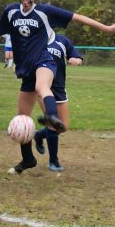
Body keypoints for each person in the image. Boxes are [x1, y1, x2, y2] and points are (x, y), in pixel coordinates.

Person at [0, 0, 115, 174]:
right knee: (22, 118)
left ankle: (51, 117)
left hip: (44, 60)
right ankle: (28, 159)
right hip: (25, 69)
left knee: (43, 87)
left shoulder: (44, 12)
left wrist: (107, 29)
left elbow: (77, 17)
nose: (25, 3)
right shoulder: (11, 11)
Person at [33, 33, 83, 171]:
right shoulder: (36, 38)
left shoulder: (62, 41)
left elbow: (77, 56)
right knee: (53, 125)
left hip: (60, 89)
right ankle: (53, 162)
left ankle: (39, 135)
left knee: (63, 126)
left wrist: (76, 60)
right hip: (44, 88)